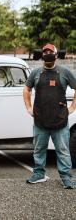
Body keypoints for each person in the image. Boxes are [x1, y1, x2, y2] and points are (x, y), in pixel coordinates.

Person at [23, 43, 76, 189]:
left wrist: (72, 108)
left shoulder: (65, 72)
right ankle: (39, 174)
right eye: (45, 52)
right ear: (42, 55)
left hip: (60, 120)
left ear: (56, 55)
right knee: (39, 149)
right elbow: (26, 89)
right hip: (40, 120)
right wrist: (28, 107)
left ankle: (66, 177)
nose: (47, 54)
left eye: (50, 52)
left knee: (63, 151)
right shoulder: (36, 73)